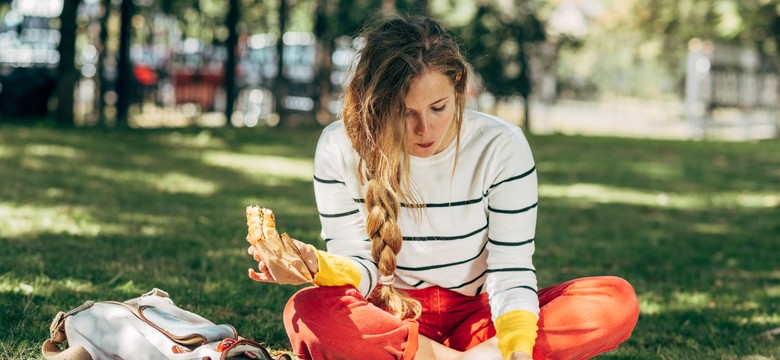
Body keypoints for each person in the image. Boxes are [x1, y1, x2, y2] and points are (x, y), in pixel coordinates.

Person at [247, 14, 639, 360]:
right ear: (377, 104)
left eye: (438, 108)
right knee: (307, 310)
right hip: (390, 316)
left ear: (459, 86)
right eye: (405, 113)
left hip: (479, 318)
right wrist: (317, 265)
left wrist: (518, 347)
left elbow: (511, 269)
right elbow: (363, 268)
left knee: (613, 300)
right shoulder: (339, 147)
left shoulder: (501, 146)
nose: (425, 129)